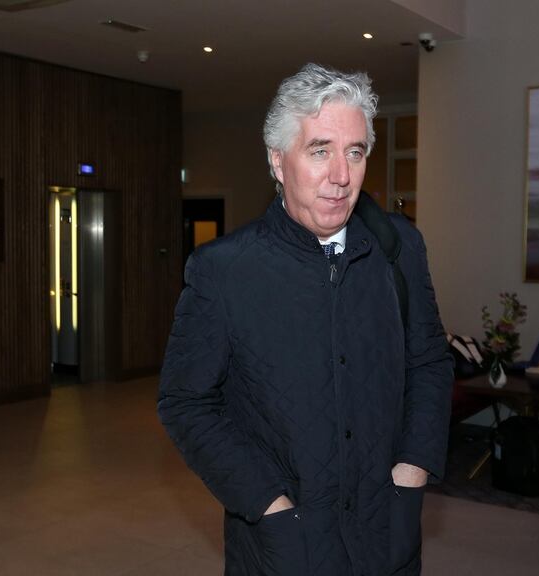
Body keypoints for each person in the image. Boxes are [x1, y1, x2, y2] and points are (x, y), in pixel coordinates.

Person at [157, 63, 453, 576]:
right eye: (320, 150)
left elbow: (428, 361)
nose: (341, 175)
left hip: (387, 534)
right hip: (280, 548)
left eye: (355, 152)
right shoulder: (223, 270)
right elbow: (185, 402)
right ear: (277, 161)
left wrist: (410, 479)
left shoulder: (399, 249)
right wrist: (271, 508)